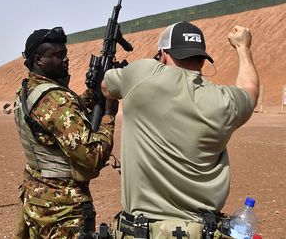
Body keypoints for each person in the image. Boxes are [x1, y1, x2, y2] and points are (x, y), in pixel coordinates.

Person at [102, 22, 259, 238]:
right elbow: (250, 91)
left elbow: (106, 86)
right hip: (203, 230)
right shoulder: (225, 101)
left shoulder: (142, 75)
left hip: (143, 231)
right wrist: (243, 48)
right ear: (203, 59)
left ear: (164, 54)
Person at [14, 27, 118, 238]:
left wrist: (92, 93)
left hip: (36, 198)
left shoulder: (29, 89)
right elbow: (92, 157)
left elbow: (60, 115)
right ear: (39, 60)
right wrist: (108, 116)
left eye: (65, 54)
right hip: (63, 211)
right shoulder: (59, 101)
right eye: (58, 55)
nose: (65, 60)